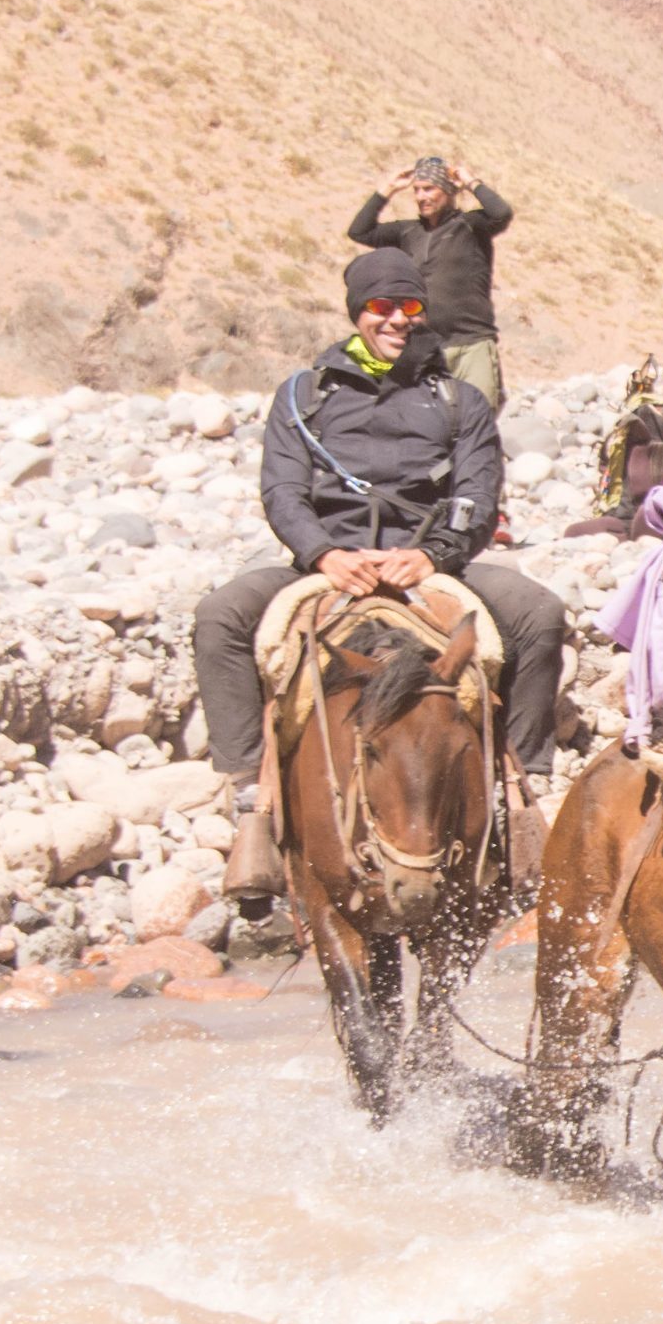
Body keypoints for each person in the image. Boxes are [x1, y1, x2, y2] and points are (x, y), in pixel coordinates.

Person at [193, 250, 567, 899]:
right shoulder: (302, 395)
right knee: (219, 616)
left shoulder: (459, 399)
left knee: (539, 614)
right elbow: (282, 491)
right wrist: (323, 554)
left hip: (426, 565)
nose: (396, 319)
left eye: (409, 306)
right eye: (381, 307)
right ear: (357, 312)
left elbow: (477, 494)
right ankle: (250, 800)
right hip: (331, 566)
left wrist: (434, 556)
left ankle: (522, 792)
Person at [348, 157, 514, 410]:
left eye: (429, 189)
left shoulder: (471, 226)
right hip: (426, 346)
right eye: (417, 190)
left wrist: (470, 181)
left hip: (473, 343)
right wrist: (388, 188)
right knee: (427, 422)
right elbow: (359, 231)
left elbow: (501, 213)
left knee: (479, 416)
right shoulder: (407, 232)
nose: (421, 196)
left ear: (448, 191)